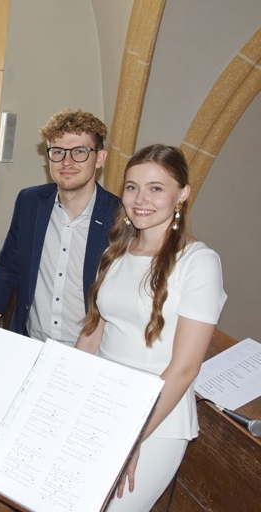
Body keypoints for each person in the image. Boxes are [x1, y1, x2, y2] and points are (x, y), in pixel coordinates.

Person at [76, 145, 226, 511]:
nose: (140, 199)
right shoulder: (115, 252)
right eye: (132, 187)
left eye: (156, 188)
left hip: (155, 420)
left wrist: (133, 437)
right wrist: (66, 392)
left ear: (182, 193)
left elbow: (185, 368)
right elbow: (93, 334)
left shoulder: (199, 262)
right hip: (99, 400)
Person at [0, 109, 120, 346]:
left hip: (89, 353)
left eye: (79, 152)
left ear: (99, 158)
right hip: (30, 344)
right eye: (58, 151)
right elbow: (7, 266)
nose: (67, 162)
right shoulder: (30, 203)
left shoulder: (119, 216)